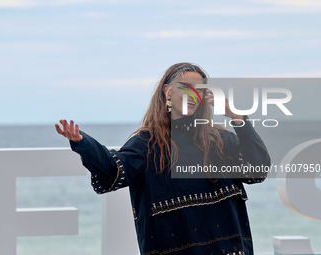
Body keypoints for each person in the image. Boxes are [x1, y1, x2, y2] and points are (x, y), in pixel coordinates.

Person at [55, 62, 271, 255]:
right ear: (168, 91)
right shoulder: (146, 144)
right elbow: (114, 169)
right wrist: (84, 144)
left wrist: (238, 119)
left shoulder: (220, 140)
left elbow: (258, 171)